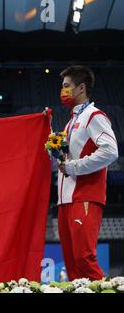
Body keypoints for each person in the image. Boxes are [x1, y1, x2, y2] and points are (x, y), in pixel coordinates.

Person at [45, 66, 118, 281]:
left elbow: (110, 151)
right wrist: (47, 134)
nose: (63, 91)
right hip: (65, 200)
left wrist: (73, 167)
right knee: (72, 263)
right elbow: (64, 161)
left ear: (81, 88)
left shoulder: (94, 116)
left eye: (67, 86)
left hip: (84, 196)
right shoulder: (70, 123)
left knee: (84, 258)